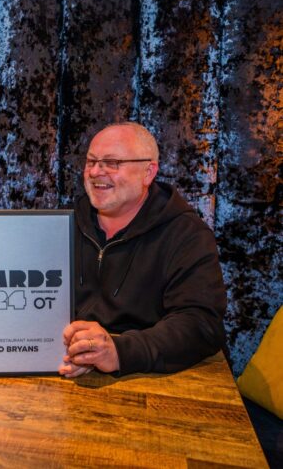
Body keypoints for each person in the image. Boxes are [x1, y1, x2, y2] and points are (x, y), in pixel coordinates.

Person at [58, 122, 227, 377]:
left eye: (112, 163)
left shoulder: (187, 234)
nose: (95, 171)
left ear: (148, 172)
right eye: (91, 161)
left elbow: (201, 323)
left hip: (150, 379)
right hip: (67, 369)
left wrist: (120, 352)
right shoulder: (65, 224)